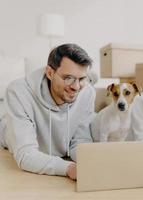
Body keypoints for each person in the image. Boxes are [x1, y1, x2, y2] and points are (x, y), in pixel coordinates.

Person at [0, 44, 95, 180]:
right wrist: (69, 168)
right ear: (50, 73)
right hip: (6, 135)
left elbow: (80, 140)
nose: (76, 87)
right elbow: (26, 154)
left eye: (81, 79)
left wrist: (92, 162)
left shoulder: (87, 92)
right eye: (68, 78)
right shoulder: (18, 91)